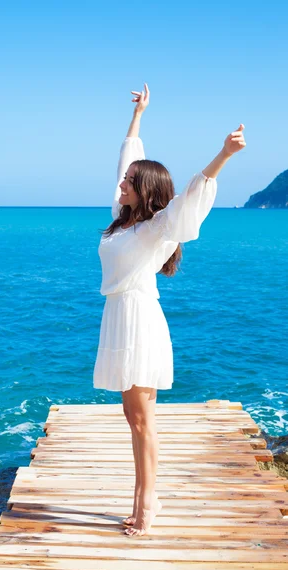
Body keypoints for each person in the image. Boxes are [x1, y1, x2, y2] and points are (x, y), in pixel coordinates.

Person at [92, 83, 246, 536]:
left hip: (138, 319)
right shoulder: (123, 221)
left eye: (128, 182)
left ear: (143, 191)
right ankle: (143, 499)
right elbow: (126, 160)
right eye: (123, 180)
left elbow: (190, 201)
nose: (120, 183)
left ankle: (148, 503)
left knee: (142, 420)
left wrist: (224, 155)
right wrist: (139, 115)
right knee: (133, 417)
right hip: (121, 317)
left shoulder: (158, 230)